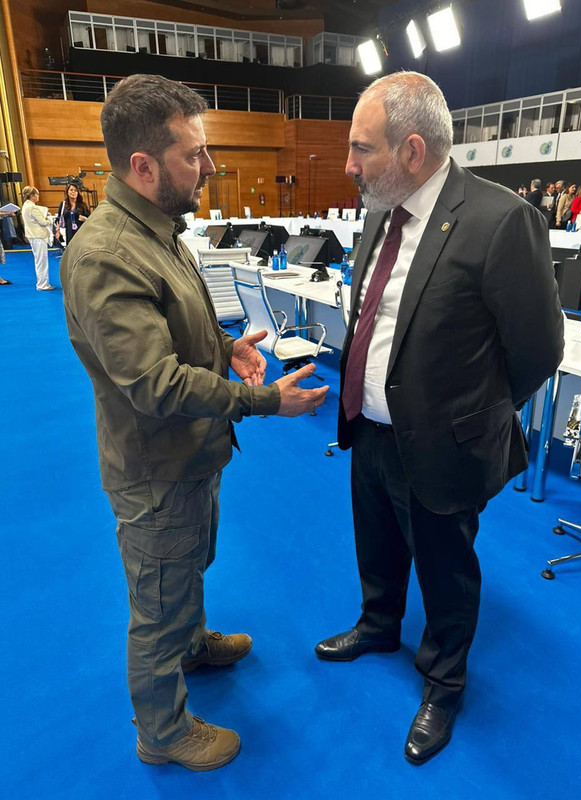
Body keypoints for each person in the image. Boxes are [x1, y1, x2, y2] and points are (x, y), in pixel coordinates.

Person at [60, 73, 329, 774]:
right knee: (157, 600)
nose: (209, 168)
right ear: (143, 165)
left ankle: (191, 642)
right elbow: (154, 382)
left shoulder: (158, 229)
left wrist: (226, 346)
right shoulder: (107, 254)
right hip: (155, 465)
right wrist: (264, 400)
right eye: (194, 155)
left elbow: (176, 324)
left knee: (185, 566)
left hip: (188, 454)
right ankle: (163, 731)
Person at [314, 71, 563, 765]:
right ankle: (378, 624)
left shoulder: (500, 220)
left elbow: (538, 349)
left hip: (444, 444)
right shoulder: (379, 210)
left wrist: (473, 418)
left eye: (362, 148)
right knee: (377, 541)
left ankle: (444, 682)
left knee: (446, 569)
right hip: (369, 426)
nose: (349, 164)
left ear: (412, 150)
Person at [21, 186, 55, 290]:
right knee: (42, 262)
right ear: (32, 196)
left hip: (33, 236)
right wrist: (51, 219)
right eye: (37, 194)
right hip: (38, 237)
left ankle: (42, 283)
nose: (38, 196)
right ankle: (42, 284)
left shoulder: (26, 205)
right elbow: (43, 222)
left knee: (39, 261)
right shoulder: (32, 207)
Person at [55, 182, 90, 247]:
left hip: (81, 232)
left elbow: (90, 219)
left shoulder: (83, 205)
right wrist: (58, 231)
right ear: (67, 192)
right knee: (70, 248)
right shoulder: (63, 204)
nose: (73, 192)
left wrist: (85, 219)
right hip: (68, 232)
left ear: (78, 193)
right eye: (71, 190)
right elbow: (58, 219)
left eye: (75, 190)